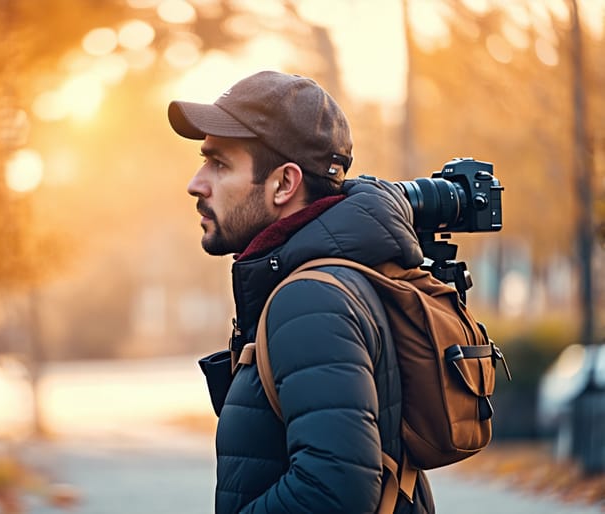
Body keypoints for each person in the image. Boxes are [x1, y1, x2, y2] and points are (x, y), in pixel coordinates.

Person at [168, 70, 435, 513]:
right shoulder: (322, 282)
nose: (197, 183)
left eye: (219, 164)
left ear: (284, 184)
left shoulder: (310, 301)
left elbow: (334, 492)